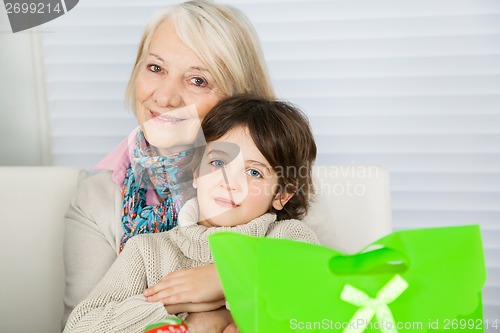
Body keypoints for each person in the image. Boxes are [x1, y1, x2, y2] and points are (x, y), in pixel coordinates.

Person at [62, 1, 275, 331]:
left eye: (198, 80)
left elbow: (328, 305)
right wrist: (183, 304)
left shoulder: (276, 182)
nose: (164, 97)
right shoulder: (97, 200)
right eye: (156, 68)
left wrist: (231, 276)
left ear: (238, 98)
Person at [63, 95, 320, 333]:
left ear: (281, 195)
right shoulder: (148, 251)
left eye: (254, 172)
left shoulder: (287, 238)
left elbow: (318, 308)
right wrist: (170, 305)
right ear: (195, 172)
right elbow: (80, 327)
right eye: (218, 162)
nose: (228, 181)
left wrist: (228, 279)